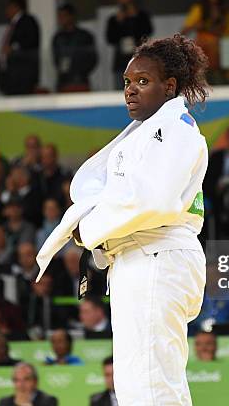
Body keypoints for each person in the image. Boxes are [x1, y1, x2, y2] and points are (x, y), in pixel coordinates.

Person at [35, 34, 210, 405]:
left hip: (156, 255)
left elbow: (152, 201)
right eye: (127, 83)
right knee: (144, 382)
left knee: (148, 384)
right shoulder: (151, 129)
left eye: (143, 81)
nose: (131, 90)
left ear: (170, 86)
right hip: (145, 258)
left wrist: (88, 229)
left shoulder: (173, 128)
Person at [181, 0, 229, 85]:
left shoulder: (225, 11)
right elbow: (184, 31)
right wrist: (197, 26)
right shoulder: (199, 9)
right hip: (202, 65)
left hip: (219, 64)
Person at [106, 0, 153, 89]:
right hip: (121, 62)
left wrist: (135, 17)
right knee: (120, 91)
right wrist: (118, 23)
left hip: (139, 60)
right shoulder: (114, 19)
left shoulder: (142, 16)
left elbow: (148, 31)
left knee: (141, 90)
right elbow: (110, 39)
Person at [0, 0, 40, 95]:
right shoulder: (13, 24)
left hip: (22, 76)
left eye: (8, 8)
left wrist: (13, 48)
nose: (6, 11)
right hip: (11, 76)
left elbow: (30, 41)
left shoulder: (27, 21)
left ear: (15, 7)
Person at [52, 4, 98, 92]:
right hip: (63, 80)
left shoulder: (85, 36)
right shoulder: (57, 37)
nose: (60, 19)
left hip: (81, 80)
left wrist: (80, 71)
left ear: (71, 16)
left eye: (63, 16)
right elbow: (56, 59)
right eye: (59, 16)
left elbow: (93, 59)